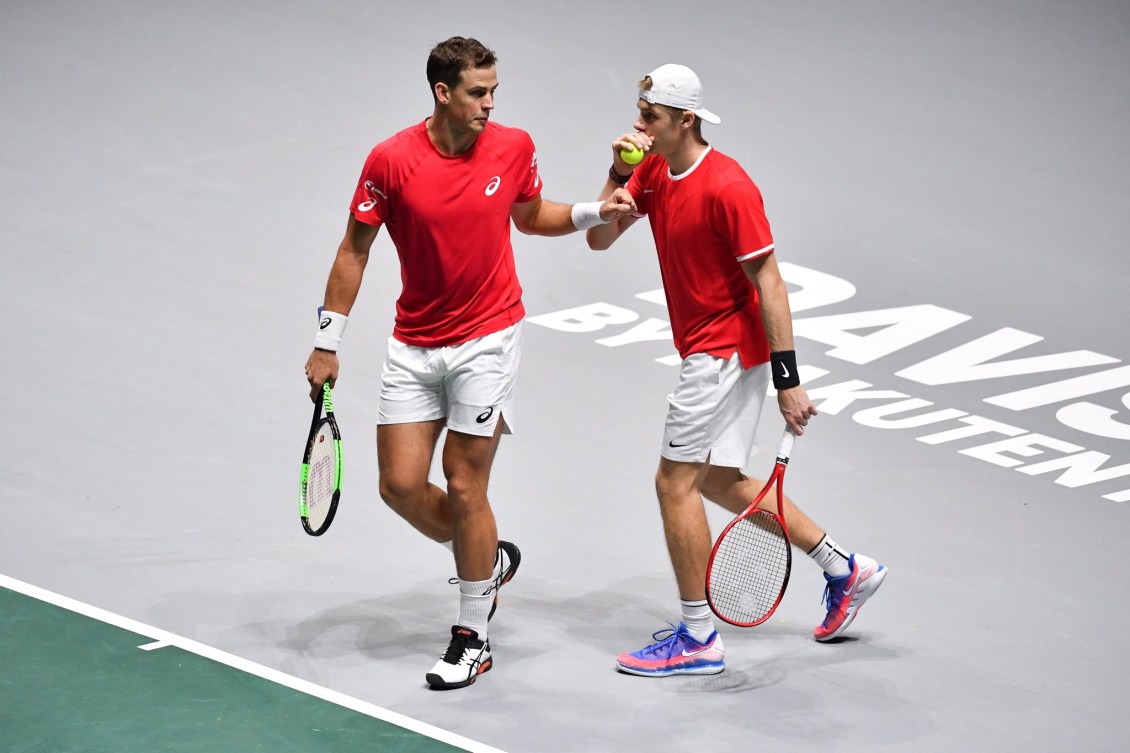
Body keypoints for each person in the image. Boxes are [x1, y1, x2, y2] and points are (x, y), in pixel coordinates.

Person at [303, 36, 636, 690]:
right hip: (415, 340)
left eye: (494, 91)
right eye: (478, 92)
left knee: (463, 481)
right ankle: (487, 555)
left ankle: (472, 634)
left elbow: (531, 215)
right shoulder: (391, 161)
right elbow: (353, 250)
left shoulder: (512, 147)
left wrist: (599, 208)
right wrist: (327, 340)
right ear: (443, 92)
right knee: (398, 486)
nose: (490, 103)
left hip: (489, 337)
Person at [586, 64, 887, 676]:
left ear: (685, 120)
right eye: (639, 113)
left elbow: (769, 281)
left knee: (674, 483)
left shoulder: (728, 186)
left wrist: (788, 380)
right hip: (713, 346)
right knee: (718, 480)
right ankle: (843, 568)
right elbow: (599, 239)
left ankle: (698, 636)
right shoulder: (649, 169)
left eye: (651, 117)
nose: (638, 126)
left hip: (721, 351)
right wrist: (618, 173)